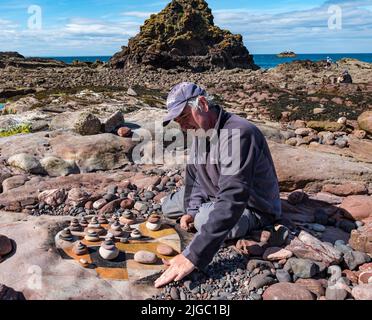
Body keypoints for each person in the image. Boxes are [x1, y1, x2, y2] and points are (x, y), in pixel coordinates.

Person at [154, 82, 282, 288]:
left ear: (202, 104)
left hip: (252, 205)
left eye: (184, 118)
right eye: (178, 122)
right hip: (213, 191)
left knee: (204, 220)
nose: (183, 127)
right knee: (168, 206)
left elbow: (233, 196)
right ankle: (202, 210)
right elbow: (194, 176)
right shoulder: (199, 131)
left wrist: (193, 255)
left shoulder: (238, 134)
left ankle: (213, 218)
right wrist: (192, 209)